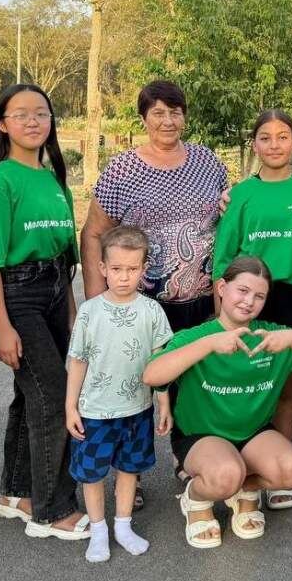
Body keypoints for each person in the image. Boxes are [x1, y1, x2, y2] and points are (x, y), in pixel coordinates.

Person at [80, 79, 227, 508]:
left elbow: (227, 213)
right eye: (158, 112)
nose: (167, 120)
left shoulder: (207, 161)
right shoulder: (122, 170)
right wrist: (97, 302)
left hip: (200, 299)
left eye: (175, 111)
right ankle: (132, 473)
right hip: (142, 303)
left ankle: (188, 458)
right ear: (143, 118)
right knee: (135, 384)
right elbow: (94, 233)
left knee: (193, 385)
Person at [143, 257, 292, 548]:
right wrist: (210, 344)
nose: (249, 301)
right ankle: (196, 499)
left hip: (253, 434)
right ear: (222, 288)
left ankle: (243, 490)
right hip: (201, 436)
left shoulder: (271, 337)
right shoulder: (198, 337)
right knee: (224, 474)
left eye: (259, 296)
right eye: (242, 291)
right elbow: (151, 375)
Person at [0, 84, 88, 540]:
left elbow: (67, 255)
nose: (32, 121)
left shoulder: (53, 178)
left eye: (41, 113)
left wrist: (72, 310)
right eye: (20, 114)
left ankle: (16, 493)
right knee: (54, 395)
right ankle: (52, 508)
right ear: (2, 124)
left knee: (30, 396)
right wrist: (2, 326)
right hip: (18, 294)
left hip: (56, 289)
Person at [213, 109, 292, 509]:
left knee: (284, 386)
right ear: (254, 144)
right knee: (244, 383)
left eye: (283, 136)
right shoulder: (242, 194)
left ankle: (278, 474)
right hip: (248, 298)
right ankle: (237, 468)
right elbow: (224, 255)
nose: (275, 145)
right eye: (265, 137)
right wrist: (222, 314)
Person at [65, 226, 174, 563]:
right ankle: (98, 530)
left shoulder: (152, 311)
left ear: (144, 269)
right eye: (116, 269)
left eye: (131, 269)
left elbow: (160, 361)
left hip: (137, 409)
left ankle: (123, 526)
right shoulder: (90, 312)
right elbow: (78, 360)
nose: (124, 277)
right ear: (102, 268)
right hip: (95, 411)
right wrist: (70, 406)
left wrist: (164, 403)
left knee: (129, 469)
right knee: (93, 474)